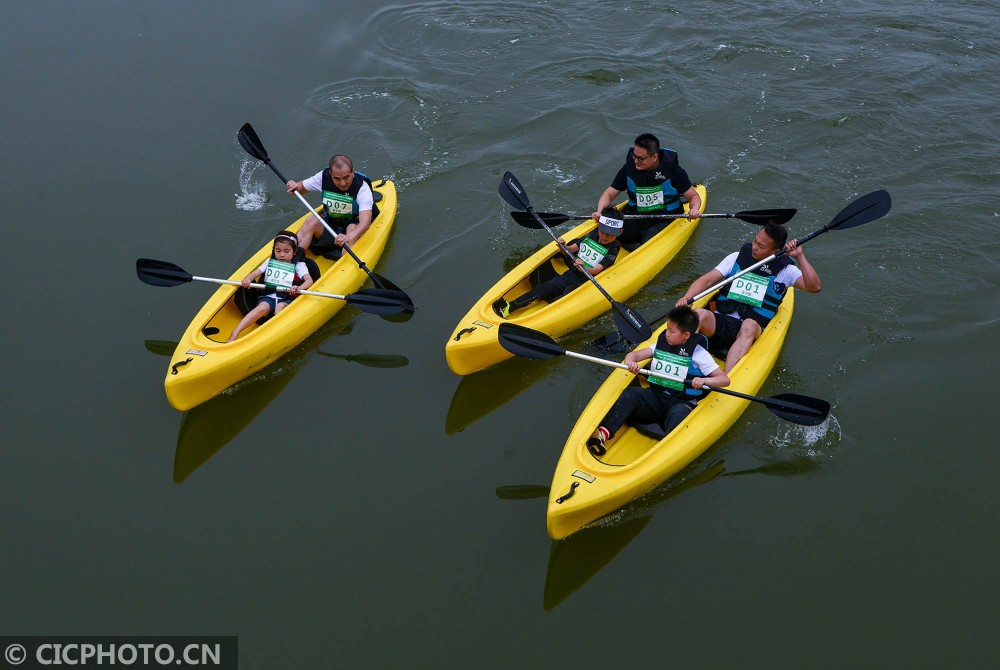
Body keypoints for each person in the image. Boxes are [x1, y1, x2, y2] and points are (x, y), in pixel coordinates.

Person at [675, 222, 822, 372]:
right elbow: (706, 280)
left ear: (775, 251)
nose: (754, 247)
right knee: (698, 314)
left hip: (751, 328)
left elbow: (814, 287)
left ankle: (727, 376)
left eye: (761, 246)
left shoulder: (786, 271)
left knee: (749, 325)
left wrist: (800, 256)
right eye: (755, 241)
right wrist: (687, 298)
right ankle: (678, 362)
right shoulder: (737, 257)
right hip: (722, 320)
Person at [587, 306, 730, 456]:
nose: (667, 334)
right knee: (631, 394)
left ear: (686, 335)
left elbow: (723, 380)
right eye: (667, 329)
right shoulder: (661, 345)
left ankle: (663, 452)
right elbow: (633, 355)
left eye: (672, 331)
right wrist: (631, 363)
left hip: (681, 402)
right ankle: (603, 434)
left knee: (678, 414)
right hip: (657, 396)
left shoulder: (700, 354)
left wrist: (703, 380)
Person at [493, 208, 624, 318]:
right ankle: (511, 306)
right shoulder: (594, 235)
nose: (605, 237)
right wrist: (563, 246)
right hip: (574, 270)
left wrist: (583, 268)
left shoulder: (613, 249)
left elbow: (597, 270)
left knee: (555, 289)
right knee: (549, 284)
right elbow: (572, 249)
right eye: (603, 231)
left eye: (610, 234)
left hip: (585, 279)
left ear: (619, 233)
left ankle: (514, 306)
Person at [592, 133, 703, 249]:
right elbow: (608, 194)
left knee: (648, 240)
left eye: (640, 158)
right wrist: (600, 212)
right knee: (611, 230)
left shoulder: (674, 171)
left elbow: (693, 196)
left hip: (666, 219)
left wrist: (694, 209)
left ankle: (635, 247)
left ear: (654, 157)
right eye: (634, 156)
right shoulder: (628, 169)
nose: (636, 161)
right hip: (636, 217)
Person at [285, 154, 379, 257]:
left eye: (346, 177)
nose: (342, 183)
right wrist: (294, 186)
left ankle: (344, 265)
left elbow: (365, 222)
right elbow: (301, 188)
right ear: (331, 174)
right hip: (333, 225)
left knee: (351, 228)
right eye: (337, 179)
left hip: (354, 228)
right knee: (310, 220)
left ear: (352, 172)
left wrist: (349, 237)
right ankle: (295, 258)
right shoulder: (323, 177)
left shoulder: (362, 189)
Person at [227, 231, 314, 342]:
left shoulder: (299, 265)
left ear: (294, 252)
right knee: (261, 308)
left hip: (288, 299)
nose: (282, 254)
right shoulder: (269, 262)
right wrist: (248, 279)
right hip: (269, 297)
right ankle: (235, 332)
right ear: (274, 250)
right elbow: (255, 273)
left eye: (286, 251)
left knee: (280, 307)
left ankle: (273, 335)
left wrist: (299, 288)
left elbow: (309, 281)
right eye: (278, 251)